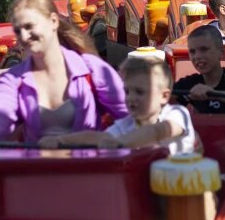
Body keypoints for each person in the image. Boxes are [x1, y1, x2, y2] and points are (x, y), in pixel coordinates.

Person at [0, 0, 128, 147]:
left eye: (29, 27)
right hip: (36, 172)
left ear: (53, 21)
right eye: (18, 31)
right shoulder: (13, 79)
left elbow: (130, 114)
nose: (24, 36)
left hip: (89, 171)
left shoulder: (92, 69)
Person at [39, 57, 197, 155]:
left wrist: (122, 143)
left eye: (140, 92)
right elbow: (95, 137)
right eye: (127, 91)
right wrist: (60, 140)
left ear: (164, 96)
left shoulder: (176, 114)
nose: (131, 98)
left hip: (186, 187)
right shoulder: (125, 126)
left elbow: (157, 131)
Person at [173, 25, 225, 116]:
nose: (197, 56)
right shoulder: (190, 82)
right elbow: (165, 97)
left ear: (222, 52)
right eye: (192, 52)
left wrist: (211, 93)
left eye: (204, 49)